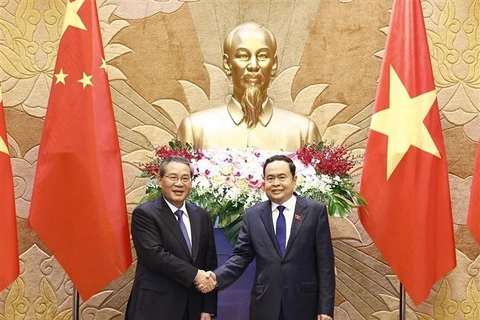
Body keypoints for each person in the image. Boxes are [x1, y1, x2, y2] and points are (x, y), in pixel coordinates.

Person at [199, 155, 335, 320]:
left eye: (282, 177)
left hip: (304, 304)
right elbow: (241, 257)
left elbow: (325, 264)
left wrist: (326, 309)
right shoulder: (253, 215)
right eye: (270, 178)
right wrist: (215, 277)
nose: (276, 183)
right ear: (264, 183)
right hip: (265, 304)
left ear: (294, 180)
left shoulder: (315, 211)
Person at [177, 22, 321, 151]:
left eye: (262, 56)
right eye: (243, 56)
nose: (253, 66)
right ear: (227, 65)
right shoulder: (195, 129)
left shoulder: (303, 131)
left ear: (274, 65)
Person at [125, 156, 217, 320]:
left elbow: (209, 262)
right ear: (160, 181)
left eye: (185, 178)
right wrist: (195, 274)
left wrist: (207, 308)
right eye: (173, 177)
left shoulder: (201, 215)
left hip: (192, 308)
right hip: (155, 307)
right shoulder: (145, 214)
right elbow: (155, 255)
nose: (179, 184)